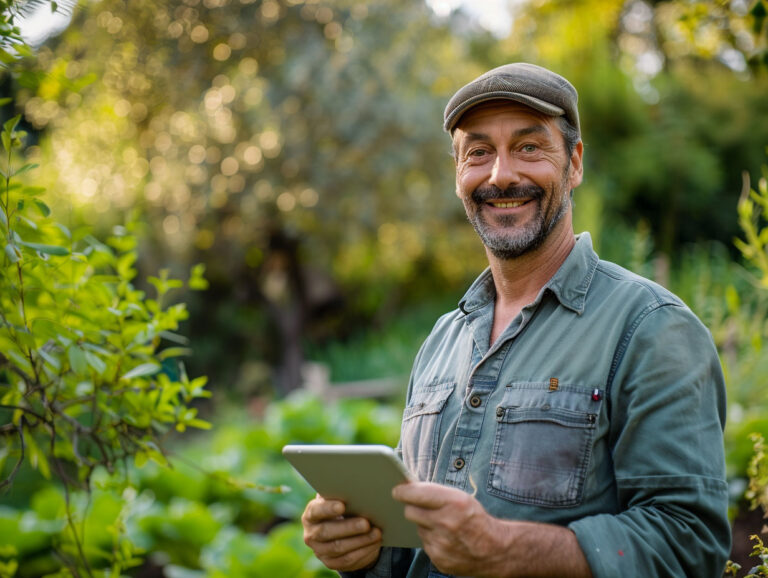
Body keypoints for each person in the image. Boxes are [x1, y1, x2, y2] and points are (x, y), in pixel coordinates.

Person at [300, 62, 731, 577]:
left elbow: (690, 543)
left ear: (573, 164)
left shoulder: (652, 329)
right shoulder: (442, 340)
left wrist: (506, 549)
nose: (501, 175)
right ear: (459, 175)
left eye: (528, 147)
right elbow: (412, 544)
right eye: (478, 153)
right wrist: (359, 546)